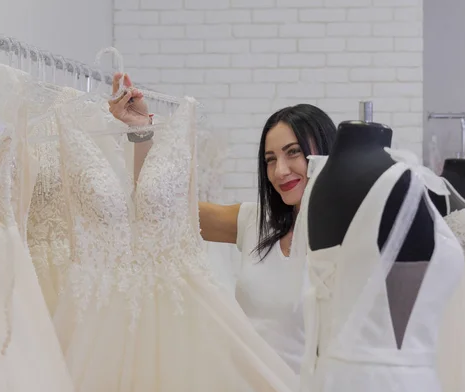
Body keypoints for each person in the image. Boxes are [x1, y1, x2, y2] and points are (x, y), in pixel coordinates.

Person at [108, 72, 337, 373]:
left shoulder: (351, 236)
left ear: (323, 151)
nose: (280, 171)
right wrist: (141, 132)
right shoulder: (255, 221)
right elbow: (159, 210)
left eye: (293, 153)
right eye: (270, 159)